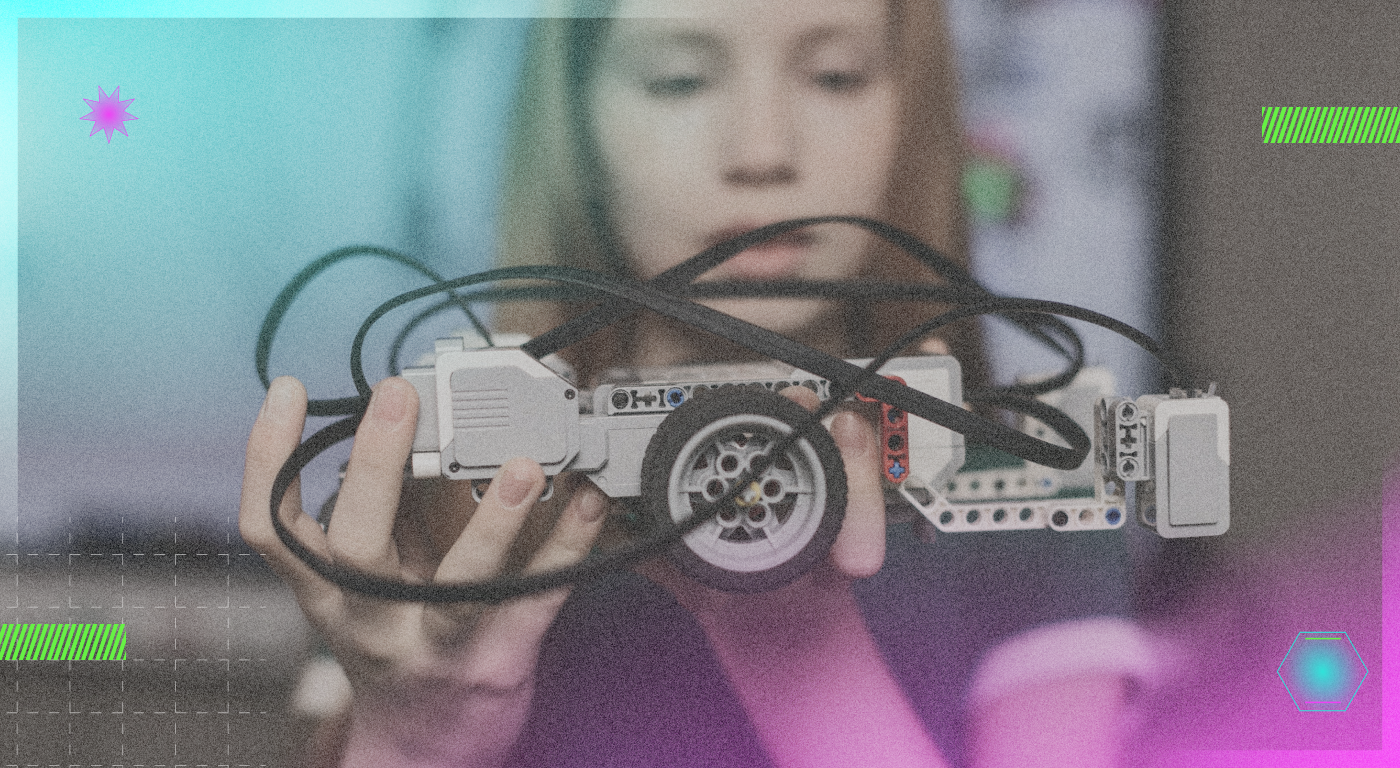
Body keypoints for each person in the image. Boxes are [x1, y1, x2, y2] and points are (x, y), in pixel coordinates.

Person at [240, 1, 1155, 766]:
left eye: (834, 75)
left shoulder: (1038, 482)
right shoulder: (442, 499)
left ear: (910, 108)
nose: (761, 149)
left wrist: (793, 640)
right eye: (680, 78)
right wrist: (412, 740)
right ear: (576, 116)